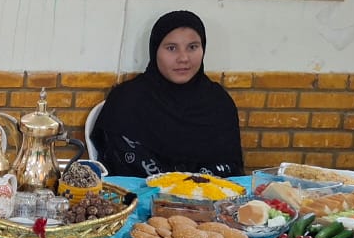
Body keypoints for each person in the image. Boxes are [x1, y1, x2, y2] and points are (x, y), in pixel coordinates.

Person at [92, 10, 243, 178]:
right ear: (155, 50)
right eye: (172, 48)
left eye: (192, 47)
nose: (183, 58)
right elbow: (120, 170)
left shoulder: (218, 103)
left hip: (210, 194)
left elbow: (230, 169)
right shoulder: (127, 101)